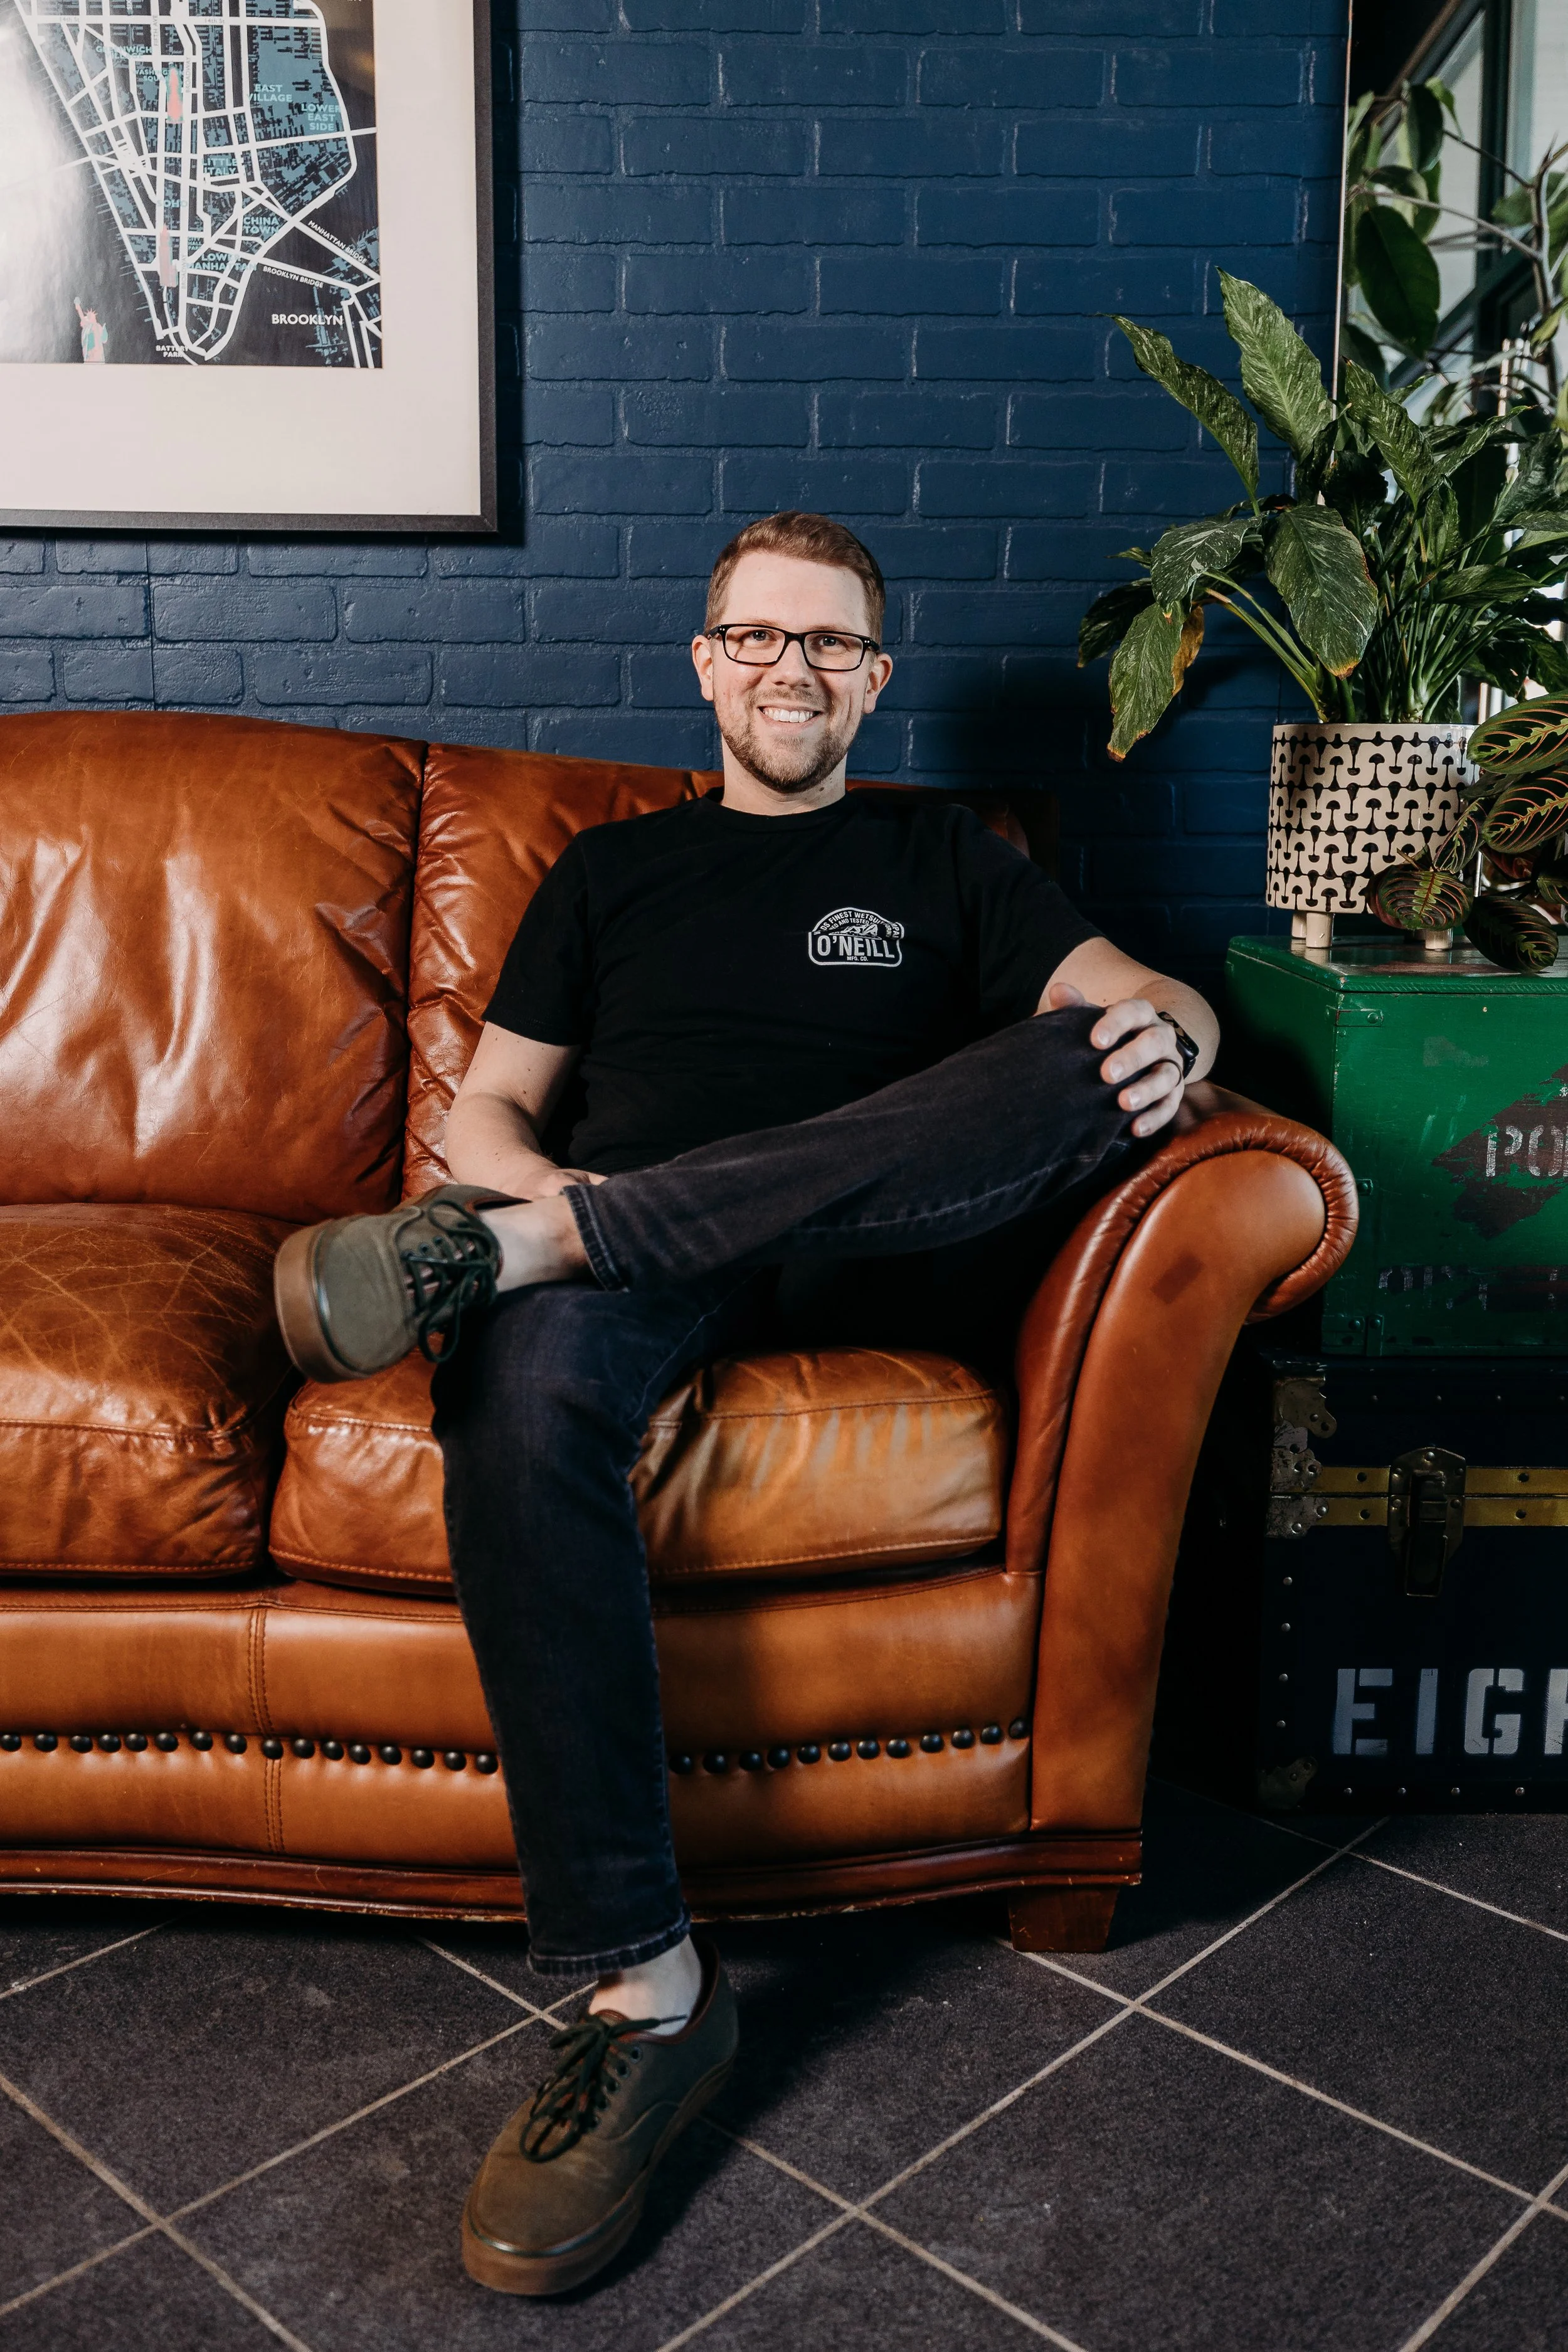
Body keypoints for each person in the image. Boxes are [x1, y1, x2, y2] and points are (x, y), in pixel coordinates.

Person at [271, 511, 1218, 2297]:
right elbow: (486, 1116)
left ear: (876, 676)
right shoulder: (610, 873)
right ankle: (648, 1988)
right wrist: (548, 1206)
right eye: (762, 638)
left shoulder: (951, 855)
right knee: (515, 1391)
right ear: (706, 663)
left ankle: (560, 1247)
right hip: (619, 1257)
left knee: (1082, 1064)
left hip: (879, 1247)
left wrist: (1183, 1028)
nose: (795, 669)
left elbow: (1130, 1004)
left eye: (832, 643)